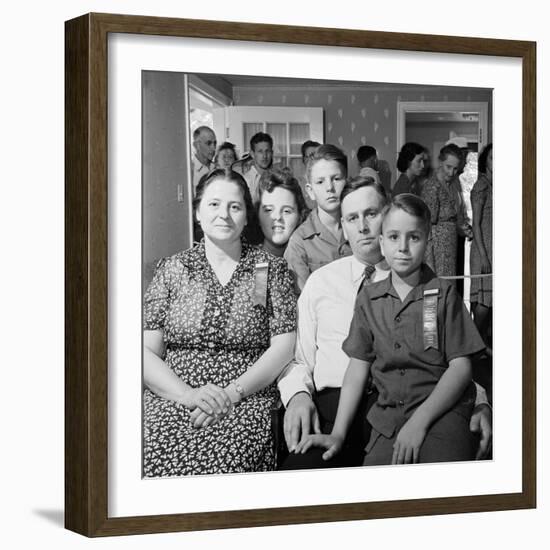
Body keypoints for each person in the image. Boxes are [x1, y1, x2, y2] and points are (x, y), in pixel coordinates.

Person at [278, 178, 492, 469]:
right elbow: (302, 357)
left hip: (403, 404)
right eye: (353, 218)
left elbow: (454, 360)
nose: (363, 226)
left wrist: (480, 401)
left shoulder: (433, 288)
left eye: (371, 214)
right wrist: (298, 396)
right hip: (340, 408)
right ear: (343, 225)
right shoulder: (323, 283)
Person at [143, 168, 297, 476]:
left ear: (246, 217)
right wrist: (187, 395)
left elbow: (283, 348)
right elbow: (144, 352)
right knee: (147, 459)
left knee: (228, 468)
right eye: (214, 204)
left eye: (234, 206)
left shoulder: (266, 269)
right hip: (173, 398)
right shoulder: (172, 269)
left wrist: (230, 393)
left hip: (244, 400)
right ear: (198, 212)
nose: (223, 214)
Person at [284, 144, 352, 292]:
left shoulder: (360, 229)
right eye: (320, 182)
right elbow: (303, 302)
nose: (330, 187)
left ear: (347, 182)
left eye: (336, 179)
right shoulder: (300, 242)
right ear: (310, 191)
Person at [420, 143, 462, 278]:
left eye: (455, 169)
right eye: (448, 167)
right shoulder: (432, 186)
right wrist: (429, 260)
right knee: (440, 285)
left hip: (450, 243)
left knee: (449, 285)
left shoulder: (452, 183)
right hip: (438, 247)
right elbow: (427, 224)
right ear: (440, 162)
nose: (451, 172)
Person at [470, 143, 493, 350]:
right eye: (493, 158)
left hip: (495, 246)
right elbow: (475, 223)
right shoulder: (481, 186)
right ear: (485, 161)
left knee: (491, 298)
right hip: (483, 247)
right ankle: (474, 345)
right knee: (484, 298)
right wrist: (484, 256)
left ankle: (481, 345)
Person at [256, 168, 309, 257]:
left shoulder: (309, 261)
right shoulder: (243, 262)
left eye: (286, 211)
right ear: (257, 215)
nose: (277, 217)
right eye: (269, 210)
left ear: (300, 216)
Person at [234, 132, 274, 203]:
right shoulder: (245, 180)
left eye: (267, 151)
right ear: (252, 154)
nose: (264, 156)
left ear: (272, 153)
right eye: (260, 152)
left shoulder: (276, 178)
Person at [191, 126, 217, 190]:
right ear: (197, 145)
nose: (213, 148)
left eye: (215, 143)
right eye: (209, 143)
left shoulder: (216, 168)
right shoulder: (190, 170)